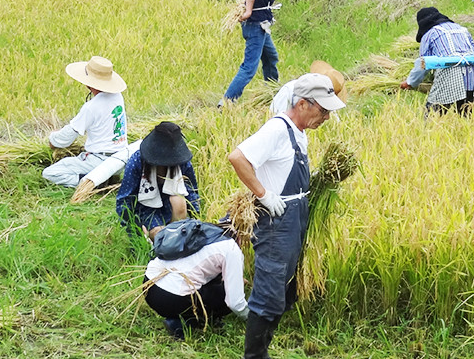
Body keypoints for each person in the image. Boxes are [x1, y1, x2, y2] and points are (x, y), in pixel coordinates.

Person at [227, 73, 344, 359]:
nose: (326, 117)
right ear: (303, 103)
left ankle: (263, 350)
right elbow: (237, 157)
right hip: (276, 223)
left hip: (294, 216)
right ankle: (254, 355)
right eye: (323, 110)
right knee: (270, 288)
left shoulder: (298, 132)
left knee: (283, 286)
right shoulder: (278, 129)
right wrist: (264, 194)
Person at [144, 221, 249, 339]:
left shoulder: (203, 230)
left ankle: (180, 317)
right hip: (172, 298)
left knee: (212, 284)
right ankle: (184, 323)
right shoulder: (231, 248)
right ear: (241, 237)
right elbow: (235, 302)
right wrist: (252, 316)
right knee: (223, 295)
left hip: (149, 285)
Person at [44, 56, 128, 188]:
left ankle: (92, 182)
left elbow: (67, 137)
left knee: (50, 173)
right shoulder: (117, 96)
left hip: (100, 160)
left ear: (88, 84)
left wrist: (53, 140)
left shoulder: (91, 107)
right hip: (121, 159)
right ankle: (106, 177)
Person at [116, 122, 200, 238]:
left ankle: (177, 236)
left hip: (171, 206)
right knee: (158, 234)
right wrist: (134, 227)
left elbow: (191, 191)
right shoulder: (137, 162)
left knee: (178, 202)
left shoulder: (182, 163)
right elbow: (125, 199)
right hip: (146, 207)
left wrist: (196, 220)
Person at [400, 8, 474, 115]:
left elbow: (423, 63)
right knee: (466, 115)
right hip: (472, 73)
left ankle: (428, 131)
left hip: (450, 73)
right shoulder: (463, 29)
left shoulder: (430, 34)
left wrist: (410, 82)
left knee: (432, 117)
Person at [269, 61, 347, 116]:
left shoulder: (328, 103)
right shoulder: (291, 91)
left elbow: (334, 122)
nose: (327, 117)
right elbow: (277, 117)